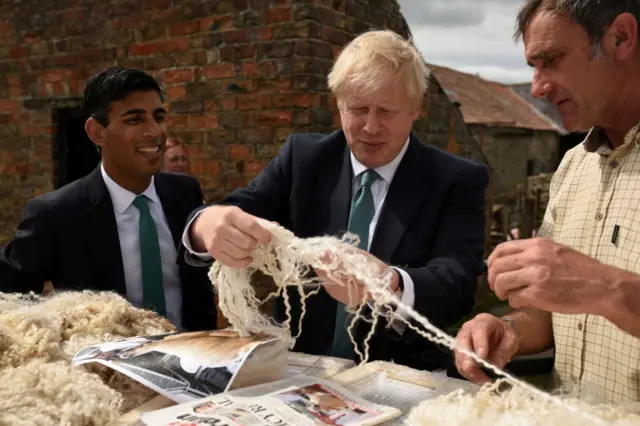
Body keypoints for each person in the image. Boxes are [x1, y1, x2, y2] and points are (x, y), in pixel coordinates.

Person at [183, 30, 489, 371]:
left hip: (400, 373)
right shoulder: (302, 159)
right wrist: (205, 223)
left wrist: (391, 282)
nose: (371, 127)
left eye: (386, 112)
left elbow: (457, 283)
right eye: (358, 109)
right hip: (298, 367)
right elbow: (238, 210)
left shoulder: (456, 179)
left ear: (416, 108)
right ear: (339, 103)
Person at [454, 0, 640, 403]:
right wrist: (510, 331)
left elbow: (590, 288)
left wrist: (606, 288)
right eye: (533, 68)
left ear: (621, 37)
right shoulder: (572, 166)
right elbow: (550, 313)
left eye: (551, 60)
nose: (537, 87)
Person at [0, 67, 217, 332]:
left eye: (158, 117)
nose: (154, 131)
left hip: (191, 362)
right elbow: (8, 295)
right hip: (103, 369)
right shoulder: (56, 214)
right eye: (134, 120)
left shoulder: (184, 193)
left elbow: (200, 290)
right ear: (97, 132)